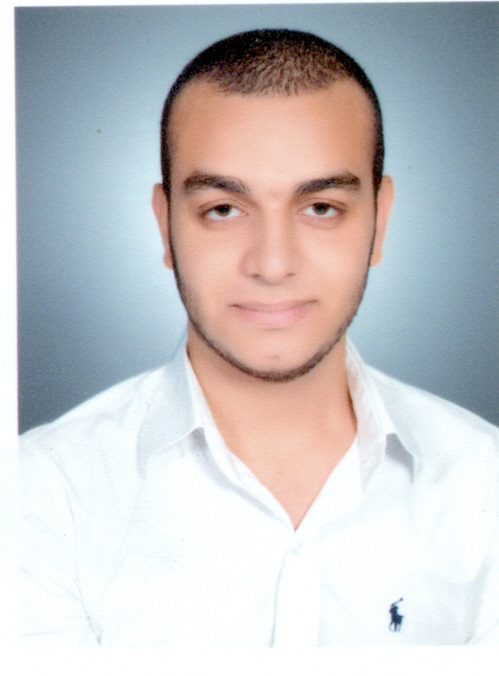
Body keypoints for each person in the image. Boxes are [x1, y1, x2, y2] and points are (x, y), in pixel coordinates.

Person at [21, 29, 499, 647]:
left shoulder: (484, 483)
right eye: (223, 209)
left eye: (321, 208)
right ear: (166, 227)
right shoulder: (38, 496)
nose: (272, 265)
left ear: (380, 222)